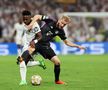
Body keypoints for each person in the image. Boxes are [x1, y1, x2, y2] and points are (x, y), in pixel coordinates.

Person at [27, 15, 86, 84]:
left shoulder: (61, 31)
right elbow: (37, 16)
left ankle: (57, 80)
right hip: (35, 43)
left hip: (45, 46)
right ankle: (24, 78)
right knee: (23, 60)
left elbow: (66, 42)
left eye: (65, 24)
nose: (63, 25)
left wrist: (77, 46)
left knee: (57, 62)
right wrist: (31, 24)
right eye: (62, 23)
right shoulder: (50, 20)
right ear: (59, 19)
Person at [18, 10, 46, 85]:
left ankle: (23, 81)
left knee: (21, 61)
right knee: (24, 63)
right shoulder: (24, 24)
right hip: (26, 45)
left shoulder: (35, 25)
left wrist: (35, 41)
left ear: (30, 17)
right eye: (23, 19)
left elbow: (40, 36)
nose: (24, 21)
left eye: (26, 19)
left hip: (33, 46)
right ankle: (39, 62)